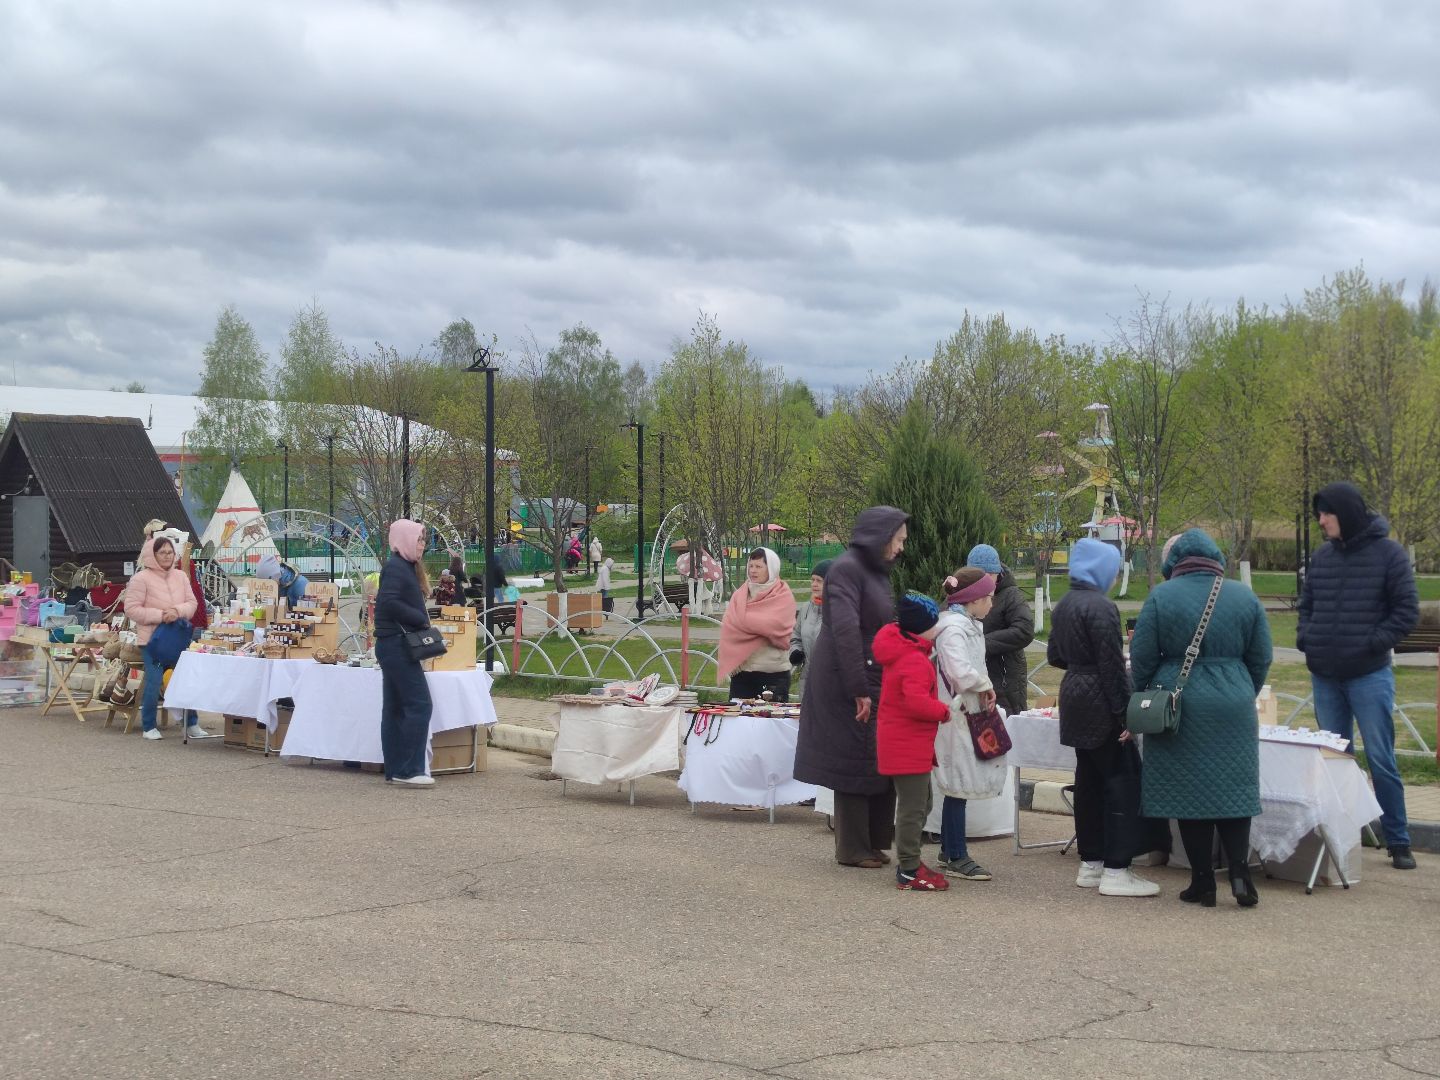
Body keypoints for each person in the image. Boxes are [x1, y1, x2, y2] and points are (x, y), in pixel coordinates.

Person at [1132, 529, 1273, 908]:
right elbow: (1261, 657)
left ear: (1174, 563)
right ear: (1216, 559)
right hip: (1235, 705)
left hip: (1180, 705)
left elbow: (1142, 657)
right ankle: (1241, 876)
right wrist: (1242, 689)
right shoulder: (1244, 595)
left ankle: (1203, 882)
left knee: (1190, 794)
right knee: (1233, 792)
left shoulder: (1161, 596)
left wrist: (1142, 694)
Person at [1299, 482, 1420, 870]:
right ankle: (1342, 835)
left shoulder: (1390, 555)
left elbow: (1406, 611)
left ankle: (1398, 839)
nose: (1320, 521)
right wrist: (1307, 640)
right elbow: (1308, 606)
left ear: (1345, 513)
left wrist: (1373, 643)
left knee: (1382, 758)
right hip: (1325, 674)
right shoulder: (1322, 557)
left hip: (1369, 674)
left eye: (1326, 513)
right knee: (1335, 760)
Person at [794, 506, 909, 868]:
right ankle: (852, 847)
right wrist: (858, 687)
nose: (902, 547)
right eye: (899, 539)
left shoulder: (874, 572)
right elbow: (845, 630)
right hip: (846, 676)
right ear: (881, 535)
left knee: (875, 758)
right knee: (853, 759)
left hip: (872, 673)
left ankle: (874, 841)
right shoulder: (846, 570)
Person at [1047, 539, 1157, 897]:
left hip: (1073, 693)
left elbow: (1054, 656)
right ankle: (1116, 868)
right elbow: (1112, 668)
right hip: (1099, 697)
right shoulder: (1102, 607)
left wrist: (1080, 668)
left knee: (1089, 782)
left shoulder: (1064, 603)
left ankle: (1090, 863)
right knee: (1121, 783)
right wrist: (1125, 717)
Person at [874, 593, 952, 891]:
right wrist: (944, 711)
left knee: (921, 802)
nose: (938, 628)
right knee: (913, 808)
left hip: (906, 744)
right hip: (907, 745)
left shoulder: (905, 652)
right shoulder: (914, 660)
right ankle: (908, 867)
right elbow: (917, 703)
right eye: (934, 624)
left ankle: (910, 860)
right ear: (922, 629)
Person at [932, 567, 1002, 882]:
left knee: (959, 784)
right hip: (955, 714)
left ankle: (949, 849)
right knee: (957, 783)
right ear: (972, 600)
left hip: (968, 712)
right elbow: (959, 672)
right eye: (988, 597)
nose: (992, 602)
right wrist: (984, 684)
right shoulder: (953, 629)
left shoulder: (968, 625)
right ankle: (957, 854)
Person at [373, 519, 436, 787]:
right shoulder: (397, 568)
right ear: (405, 540)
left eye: (423, 540)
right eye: (419, 540)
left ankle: (396, 769)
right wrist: (420, 620)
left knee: (396, 708)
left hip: (392, 644)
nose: (422, 545)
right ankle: (410, 769)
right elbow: (387, 602)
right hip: (397, 644)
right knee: (420, 704)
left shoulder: (402, 567)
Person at [124, 535, 205, 741]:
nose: (167, 556)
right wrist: (160, 615)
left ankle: (191, 723)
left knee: (186, 680)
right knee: (154, 680)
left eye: (170, 552)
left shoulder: (181, 576)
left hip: (178, 638)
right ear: (152, 555)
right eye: (162, 552)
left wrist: (176, 611)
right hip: (152, 640)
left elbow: (192, 603)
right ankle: (149, 725)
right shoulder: (140, 579)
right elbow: (131, 609)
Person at [717, 547, 797, 702]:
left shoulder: (783, 596)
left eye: (759, 567)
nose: (753, 571)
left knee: (770, 724)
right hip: (742, 672)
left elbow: (774, 625)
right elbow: (728, 625)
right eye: (751, 566)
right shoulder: (741, 594)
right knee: (739, 723)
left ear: (771, 569)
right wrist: (749, 625)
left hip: (774, 675)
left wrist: (742, 622)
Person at [966, 543, 1035, 715]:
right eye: (981, 575)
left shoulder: (1011, 595)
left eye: (991, 574)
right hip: (971, 678)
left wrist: (981, 643)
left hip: (1006, 682)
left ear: (998, 572)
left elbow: (1024, 630)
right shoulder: (960, 595)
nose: (988, 580)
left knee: (1009, 733)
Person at [788, 559, 832, 697]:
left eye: (819, 581)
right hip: (808, 677)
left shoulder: (840, 609)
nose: (814, 584)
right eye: (812, 580)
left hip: (832, 680)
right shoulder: (806, 608)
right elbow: (796, 636)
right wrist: (796, 652)